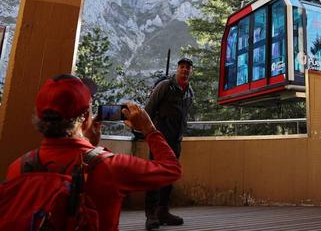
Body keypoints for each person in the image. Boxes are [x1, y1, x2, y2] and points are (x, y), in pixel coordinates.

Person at [4, 74, 182, 231]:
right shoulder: (110, 168)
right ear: (86, 116)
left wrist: (88, 143)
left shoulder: (17, 168)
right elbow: (171, 169)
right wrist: (149, 129)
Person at [144, 57, 194, 230]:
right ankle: (150, 215)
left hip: (175, 140)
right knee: (155, 175)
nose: (185, 70)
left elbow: (184, 116)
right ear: (177, 69)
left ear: (191, 71)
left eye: (188, 67)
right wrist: (148, 133)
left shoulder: (189, 92)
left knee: (170, 175)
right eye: (182, 67)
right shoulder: (165, 86)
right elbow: (148, 109)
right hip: (160, 139)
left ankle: (162, 211)